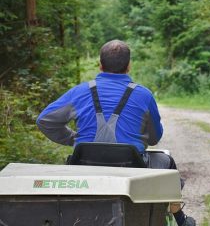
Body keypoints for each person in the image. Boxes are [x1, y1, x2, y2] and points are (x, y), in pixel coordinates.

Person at [36, 39, 195, 226]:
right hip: (132, 167)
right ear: (129, 66)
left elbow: (45, 120)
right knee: (167, 162)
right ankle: (180, 219)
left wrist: (74, 139)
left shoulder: (79, 92)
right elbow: (155, 138)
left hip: (84, 165)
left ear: (100, 65)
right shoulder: (144, 95)